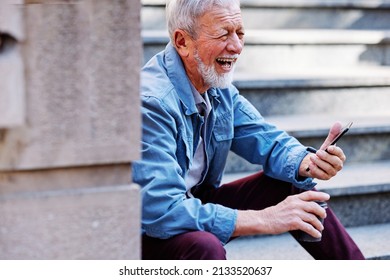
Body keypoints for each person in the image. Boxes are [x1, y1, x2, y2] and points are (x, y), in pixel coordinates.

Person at [133, 0, 365, 260]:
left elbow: (263, 136)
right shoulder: (152, 103)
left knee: (290, 183)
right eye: (223, 34)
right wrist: (264, 219)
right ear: (182, 41)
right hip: (142, 235)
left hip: (193, 204)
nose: (236, 46)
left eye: (240, 33)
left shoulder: (216, 86)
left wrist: (307, 162)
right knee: (204, 246)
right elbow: (161, 212)